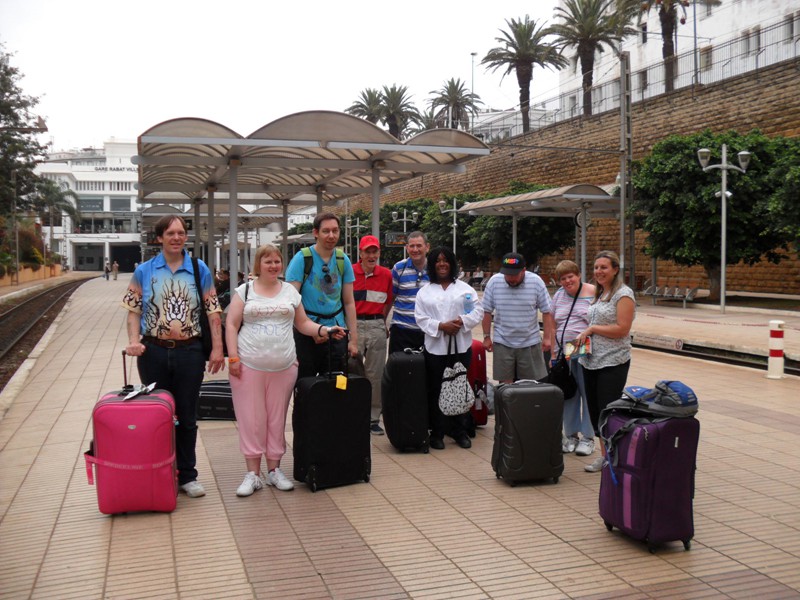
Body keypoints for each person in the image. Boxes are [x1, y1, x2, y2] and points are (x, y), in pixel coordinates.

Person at [226, 244, 346, 496]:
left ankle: (274, 470)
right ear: (258, 264)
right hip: (248, 366)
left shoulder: (290, 291)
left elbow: (302, 323)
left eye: (277, 261)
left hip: (284, 367)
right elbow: (231, 324)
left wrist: (324, 330)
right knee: (251, 419)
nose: (273, 266)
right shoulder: (244, 291)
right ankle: (252, 474)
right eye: (267, 261)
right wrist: (233, 357)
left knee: (276, 419)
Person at [122, 215, 225, 498]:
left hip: (190, 352)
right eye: (170, 233)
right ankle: (161, 471)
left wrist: (217, 348)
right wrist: (133, 342)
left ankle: (187, 475)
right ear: (160, 238)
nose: (177, 238)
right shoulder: (144, 271)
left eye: (181, 233)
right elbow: (133, 311)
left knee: (187, 416)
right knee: (159, 415)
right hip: (153, 352)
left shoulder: (199, 269)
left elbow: (213, 311)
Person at [415, 247, 483, 450]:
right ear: (432, 265)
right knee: (436, 389)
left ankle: (459, 431)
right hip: (435, 349)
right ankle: (437, 432)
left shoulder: (464, 289)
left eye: (445, 260)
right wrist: (441, 326)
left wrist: (462, 321)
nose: (442, 264)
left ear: (452, 264)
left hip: (460, 347)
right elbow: (420, 318)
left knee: (459, 386)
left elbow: (477, 312)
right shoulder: (424, 292)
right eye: (438, 261)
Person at [575, 250, 636, 473]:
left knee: (608, 410)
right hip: (590, 361)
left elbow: (622, 329)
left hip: (612, 361)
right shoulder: (600, 293)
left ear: (615, 269)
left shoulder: (623, 294)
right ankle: (605, 456)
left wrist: (592, 328)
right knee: (595, 411)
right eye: (596, 267)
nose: (599, 271)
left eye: (604, 267)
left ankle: (614, 456)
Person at [285, 212, 358, 379]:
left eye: (335, 231)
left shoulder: (342, 260)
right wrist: (312, 331)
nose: (331, 236)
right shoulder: (302, 259)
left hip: (337, 332)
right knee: (306, 384)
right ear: (316, 233)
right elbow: (291, 300)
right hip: (307, 335)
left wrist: (353, 340)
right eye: (326, 231)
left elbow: (349, 302)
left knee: (336, 385)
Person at [481, 253, 554, 383]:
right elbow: (486, 311)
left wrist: (547, 338)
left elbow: (547, 311)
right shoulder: (494, 282)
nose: (510, 278)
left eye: (514, 274)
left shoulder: (536, 282)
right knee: (505, 386)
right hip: (502, 341)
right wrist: (486, 337)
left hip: (530, 341)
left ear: (523, 270)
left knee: (529, 384)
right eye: (507, 274)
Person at [551, 260, 596, 457]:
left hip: (586, 349)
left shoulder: (593, 292)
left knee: (587, 394)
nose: (567, 281)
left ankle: (588, 437)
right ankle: (570, 435)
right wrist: (554, 353)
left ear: (579, 275)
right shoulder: (559, 295)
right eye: (563, 278)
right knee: (569, 393)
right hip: (565, 351)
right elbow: (553, 324)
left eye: (571, 276)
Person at [353, 235, 393, 435]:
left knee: (375, 374)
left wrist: (382, 322)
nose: (371, 255)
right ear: (360, 253)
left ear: (379, 253)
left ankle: (373, 418)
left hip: (376, 324)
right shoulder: (350, 272)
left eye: (374, 251)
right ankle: (352, 413)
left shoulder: (386, 275)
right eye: (367, 251)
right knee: (351, 370)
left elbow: (389, 300)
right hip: (354, 325)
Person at [388, 231, 430, 354]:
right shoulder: (399, 268)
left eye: (419, 246)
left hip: (427, 331)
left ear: (427, 247)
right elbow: (390, 298)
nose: (415, 249)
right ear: (407, 248)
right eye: (412, 246)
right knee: (399, 365)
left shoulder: (435, 269)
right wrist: (382, 323)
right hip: (401, 331)